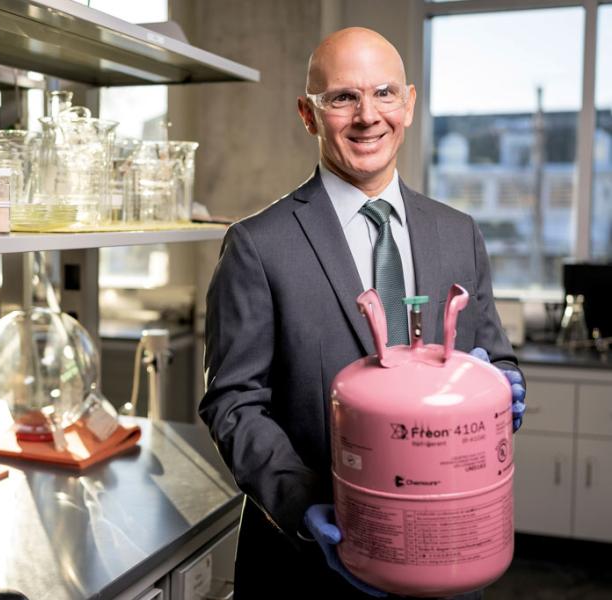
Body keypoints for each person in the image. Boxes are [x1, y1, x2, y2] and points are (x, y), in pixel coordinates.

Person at [200, 27, 527, 599]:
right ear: (308, 114)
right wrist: (303, 506)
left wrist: (505, 387)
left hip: (447, 562)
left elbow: (493, 356)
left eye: (384, 93)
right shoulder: (258, 245)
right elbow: (233, 403)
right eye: (343, 98)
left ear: (410, 104)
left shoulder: (459, 234)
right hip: (307, 569)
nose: (367, 116)